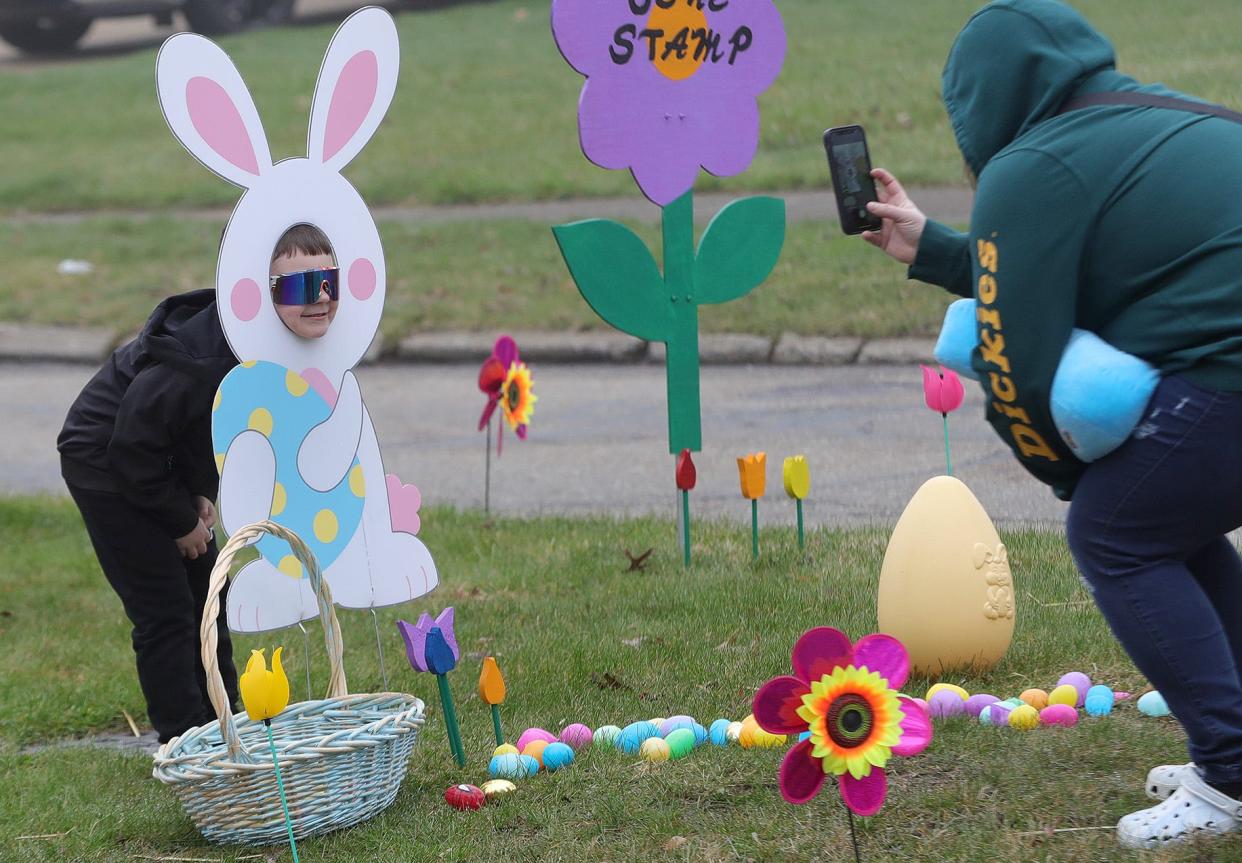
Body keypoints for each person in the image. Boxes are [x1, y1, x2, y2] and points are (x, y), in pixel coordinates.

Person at [860, 0, 1242, 849]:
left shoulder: (1029, 167)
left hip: (1228, 369)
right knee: (1166, 521)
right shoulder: (1149, 114)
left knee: (1118, 528)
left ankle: (1230, 772)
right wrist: (937, 250)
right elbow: (1053, 269)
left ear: (982, 105)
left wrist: (1078, 481)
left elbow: (1016, 367)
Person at [57, 223, 339, 744]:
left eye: (330, 282)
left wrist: (196, 490)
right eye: (300, 287)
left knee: (209, 592)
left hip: (153, 461)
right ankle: (185, 738)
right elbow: (132, 445)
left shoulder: (271, 341)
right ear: (262, 291)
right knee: (165, 607)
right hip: (104, 460)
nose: (320, 298)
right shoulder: (201, 361)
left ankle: (222, 720)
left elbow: (207, 429)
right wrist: (180, 518)